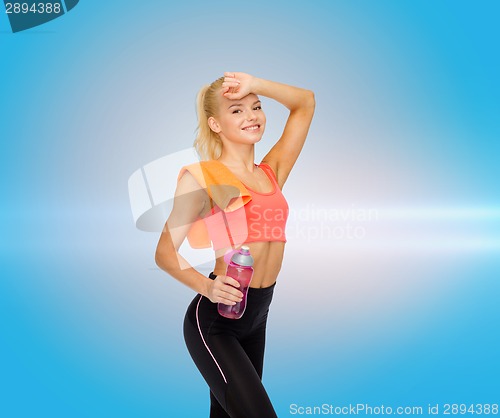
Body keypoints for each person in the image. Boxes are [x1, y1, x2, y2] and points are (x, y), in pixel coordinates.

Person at [155, 72, 315, 418]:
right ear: (215, 124)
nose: (251, 116)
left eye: (255, 107)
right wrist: (207, 287)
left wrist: (256, 84)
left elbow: (305, 103)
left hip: (258, 314)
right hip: (216, 320)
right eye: (236, 111)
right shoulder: (203, 178)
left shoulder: (271, 172)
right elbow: (165, 253)